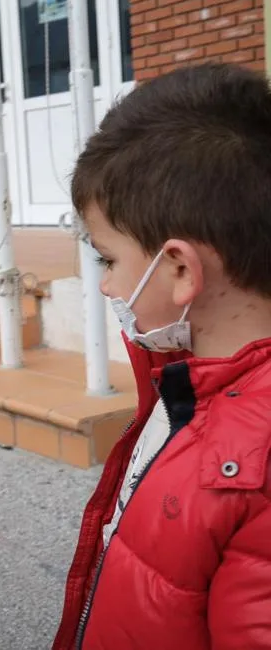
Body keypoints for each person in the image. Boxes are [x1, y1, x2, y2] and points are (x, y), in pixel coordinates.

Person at [52, 63, 271, 650]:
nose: (104, 285)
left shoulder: (252, 466)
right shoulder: (183, 381)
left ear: (179, 270)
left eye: (107, 259)